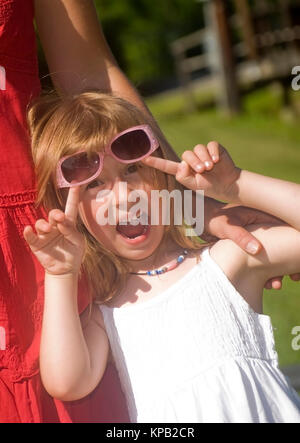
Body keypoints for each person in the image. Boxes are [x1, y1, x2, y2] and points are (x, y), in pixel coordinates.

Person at [0, 0, 296, 423]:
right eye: (94, 184)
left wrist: (236, 186)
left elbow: (87, 58)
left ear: (164, 177)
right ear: (72, 211)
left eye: (134, 168)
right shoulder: (106, 314)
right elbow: (66, 382)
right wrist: (62, 275)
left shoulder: (226, 262)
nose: (123, 195)